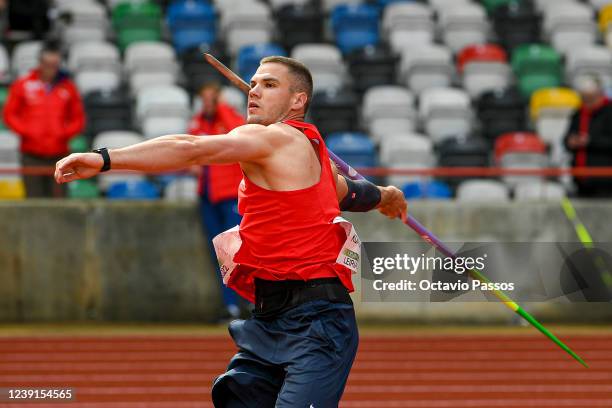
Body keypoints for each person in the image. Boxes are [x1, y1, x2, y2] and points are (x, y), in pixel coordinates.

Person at [54, 56, 407, 407]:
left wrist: (105, 159)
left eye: (269, 85)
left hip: (317, 324)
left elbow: (190, 148)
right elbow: (351, 193)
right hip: (270, 318)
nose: (254, 91)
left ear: (298, 100)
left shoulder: (273, 139)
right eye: (253, 84)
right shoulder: (311, 153)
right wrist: (386, 196)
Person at [189, 82, 246, 319]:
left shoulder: (230, 118)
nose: (208, 104)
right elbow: (189, 145)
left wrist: (221, 107)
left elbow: (239, 133)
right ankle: (231, 305)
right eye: (205, 99)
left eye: (212, 98)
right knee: (220, 253)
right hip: (208, 196)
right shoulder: (200, 123)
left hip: (230, 195)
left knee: (239, 251)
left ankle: (251, 303)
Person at [3, 40, 85, 198]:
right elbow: (10, 114)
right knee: (34, 199)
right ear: (40, 63)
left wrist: (64, 133)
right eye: (47, 64)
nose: (51, 69)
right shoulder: (23, 85)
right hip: (31, 154)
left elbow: (78, 118)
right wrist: (27, 131)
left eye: (55, 65)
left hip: (59, 154)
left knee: (59, 199)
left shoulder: (68, 87)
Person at [564, 75, 612, 197]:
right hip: (581, 179)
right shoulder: (578, 113)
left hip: (605, 178)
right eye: (584, 98)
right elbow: (566, 138)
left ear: (600, 94)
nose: (587, 102)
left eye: (591, 98)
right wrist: (571, 141)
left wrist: (590, 141)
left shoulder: (609, 112)